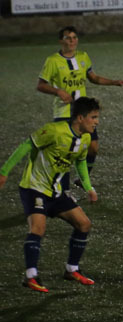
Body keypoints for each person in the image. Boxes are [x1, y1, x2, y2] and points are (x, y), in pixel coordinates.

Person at [0, 97, 102, 293]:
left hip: (56, 192)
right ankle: (31, 276)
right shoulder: (54, 131)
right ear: (80, 118)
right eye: (93, 117)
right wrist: (4, 172)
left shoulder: (85, 138)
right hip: (34, 187)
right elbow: (26, 145)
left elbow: (80, 161)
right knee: (38, 228)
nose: (96, 122)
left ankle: (72, 270)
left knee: (84, 224)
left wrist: (89, 187)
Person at [36, 26, 123, 187]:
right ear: (61, 41)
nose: (72, 41)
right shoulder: (53, 61)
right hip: (64, 111)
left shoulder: (83, 56)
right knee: (64, 152)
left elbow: (93, 78)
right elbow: (41, 85)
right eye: (68, 38)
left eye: (74, 37)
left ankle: (83, 179)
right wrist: (58, 91)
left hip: (84, 111)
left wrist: (113, 82)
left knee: (93, 148)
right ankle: (63, 190)